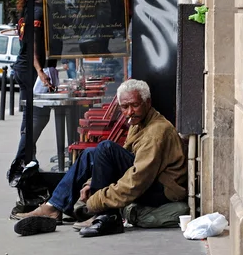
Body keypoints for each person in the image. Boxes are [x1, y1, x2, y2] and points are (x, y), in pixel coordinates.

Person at [12, 79, 188, 237]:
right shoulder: (139, 122)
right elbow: (123, 161)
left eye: (134, 105)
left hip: (163, 191)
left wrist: (96, 202)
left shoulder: (155, 133)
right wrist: (91, 183)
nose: (129, 112)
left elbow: (137, 180)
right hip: (150, 181)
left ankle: (100, 214)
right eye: (124, 107)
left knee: (105, 148)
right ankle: (53, 207)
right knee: (90, 153)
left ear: (147, 102)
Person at [8, 0, 57, 181]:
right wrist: (40, 71)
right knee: (38, 116)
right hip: (32, 70)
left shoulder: (29, 9)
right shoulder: (37, 11)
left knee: (31, 116)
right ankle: (21, 163)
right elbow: (34, 43)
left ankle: (28, 160)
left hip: (26, 68)